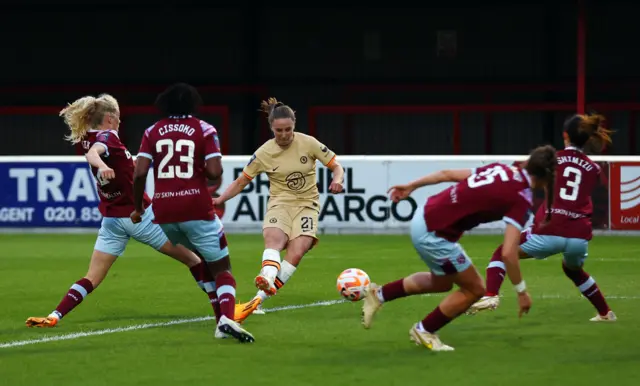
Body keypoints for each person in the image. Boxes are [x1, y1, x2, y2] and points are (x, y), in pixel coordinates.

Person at [26, 94, 211, 328]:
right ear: (111, 118)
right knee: (193, 258)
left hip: (112, 221)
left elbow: (92, 151)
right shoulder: (107, 137)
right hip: (139, 217)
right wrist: (103, 166)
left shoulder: (89, 137)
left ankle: (54, 316)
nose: (120, 122)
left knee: (91, 278)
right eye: (119, 118)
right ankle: (226, 309)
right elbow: (93, 153)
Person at [361, 145, 558, 351]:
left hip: (424, 214)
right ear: (546, 179)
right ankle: (424, 330)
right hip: (435, 234)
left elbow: (447, 174)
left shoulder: (501, 169)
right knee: (476, 289)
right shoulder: (521, 199)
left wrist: (412, 186)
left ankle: (379, 294)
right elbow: (509, 252)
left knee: (442, 282)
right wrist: (522, 292)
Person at [131, 83, 254, 343]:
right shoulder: (205, 129)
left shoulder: (152, 131)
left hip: (163, 211)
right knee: (223, 270)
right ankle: (226, 319)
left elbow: (140, 172)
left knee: (202, 263)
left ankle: (219, 319)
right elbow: (214, 172)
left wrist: (138, 207)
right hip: (196, 207)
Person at [467, 114, 616, 321]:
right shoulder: (594, 168)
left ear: (565, 135)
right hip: (578, 235)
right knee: (573, 269)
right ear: (588, 138)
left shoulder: (553, 159)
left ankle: (491, 295)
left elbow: (524, 171)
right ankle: (605, 313)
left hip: (550, 229)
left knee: (502, 252)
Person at [213, 97, 345, 323]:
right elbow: (241, 181)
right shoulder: (264, 153)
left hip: (307, 205)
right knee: (273, 240)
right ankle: (266, 277)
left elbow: (335, 165)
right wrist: (220, 199)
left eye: (288, 129)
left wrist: (338, 179)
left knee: (297, 251)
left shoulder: (308, 142)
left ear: (294, 124)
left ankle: (258, 299)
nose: (284, 135)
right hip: (280, 203)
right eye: (278, 131)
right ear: (271, 128)